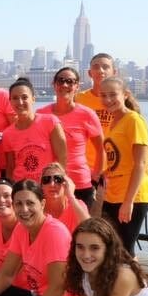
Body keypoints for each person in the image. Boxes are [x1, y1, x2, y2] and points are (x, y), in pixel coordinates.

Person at [98, 77, 148, 255]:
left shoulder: (134, 120)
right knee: (111, 247)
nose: (108, 100)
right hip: (113, 193)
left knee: (125, 249)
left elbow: (140, 164)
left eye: (113, 95)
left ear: (125, 95)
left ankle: (137, 283)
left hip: (133, 195)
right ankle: (118, 282)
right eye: (104, 95)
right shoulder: (113, 122)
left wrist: (128, 202)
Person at [38, 67, 104, 207]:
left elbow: (100, 149)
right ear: (54, 84)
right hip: (50, 184)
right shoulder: (41, 114)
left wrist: (95, 179)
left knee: (79, 227)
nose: (65, 85)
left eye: (70, 81)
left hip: (80, 183)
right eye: (61, 81)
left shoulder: (87, 114)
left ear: (77, 86)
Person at [1, 78, 67, 183]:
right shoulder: (7, 134)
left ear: (33, 99)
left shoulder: (50, 122)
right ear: (10, 101)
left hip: (47, 184)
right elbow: (10, 168)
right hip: (22, 188)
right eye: (15, 98)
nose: (20, 102)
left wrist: (57, 183)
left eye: (24, 97)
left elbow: (62, 159)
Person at [40, 163, 90, 233]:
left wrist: (71, 196)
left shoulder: (77, 205)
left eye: (58, 179)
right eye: (46, 180)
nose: (52, 184)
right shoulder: (37, 208)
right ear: (42, 186)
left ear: (66, 183)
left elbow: (89, 228)